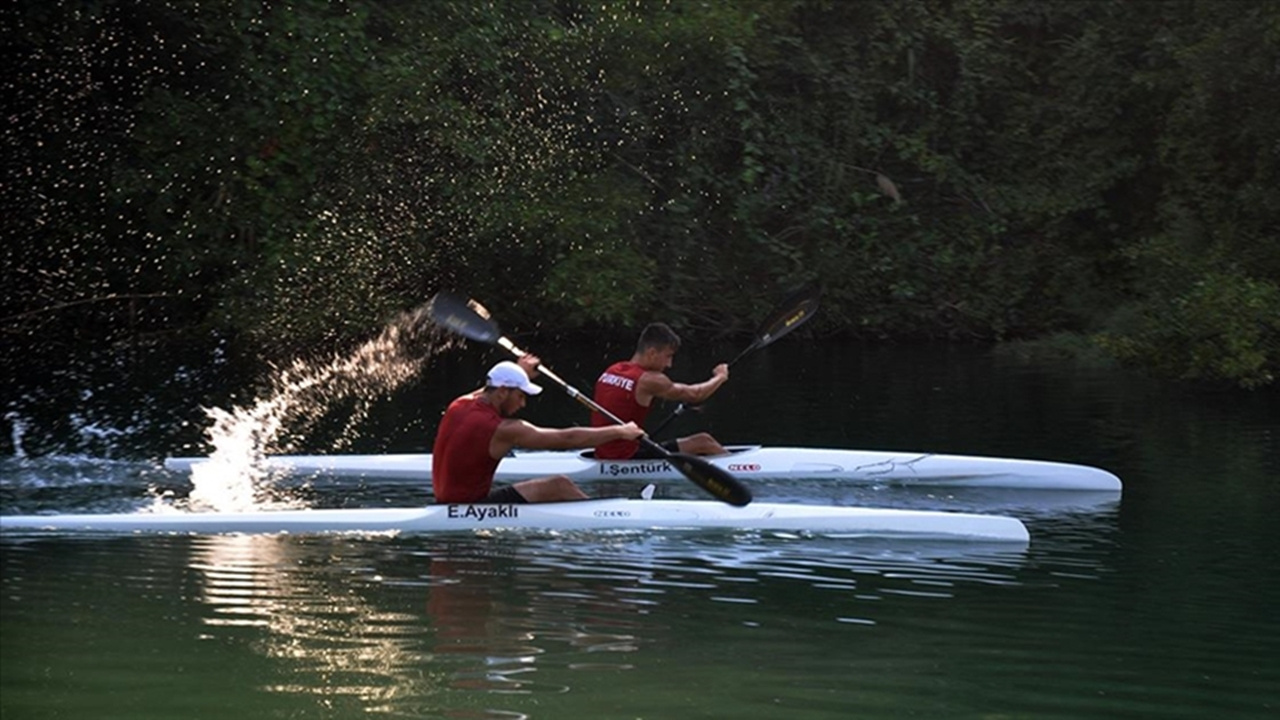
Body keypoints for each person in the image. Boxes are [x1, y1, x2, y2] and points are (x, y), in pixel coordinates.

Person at [432, 356, 644, 504]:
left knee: (557, 484)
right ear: (504, 391)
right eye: (521, 395)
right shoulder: (504, 429)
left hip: (445, 499)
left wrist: (520, 371)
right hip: (472, 507)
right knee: (559, 485)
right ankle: (605, 520)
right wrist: (620, 432)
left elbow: (490, 388)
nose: (523, 404)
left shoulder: (459, 403)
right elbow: (566, 439)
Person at [591, 322, 729, 460]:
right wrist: (720, 377)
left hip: (603, 452)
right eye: (668, 356)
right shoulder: (649, 380)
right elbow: (695, 394)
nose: (669, 364)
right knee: (704, 442)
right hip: (624, 457)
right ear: (652, 353)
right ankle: (738, 469)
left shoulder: (612, 370)